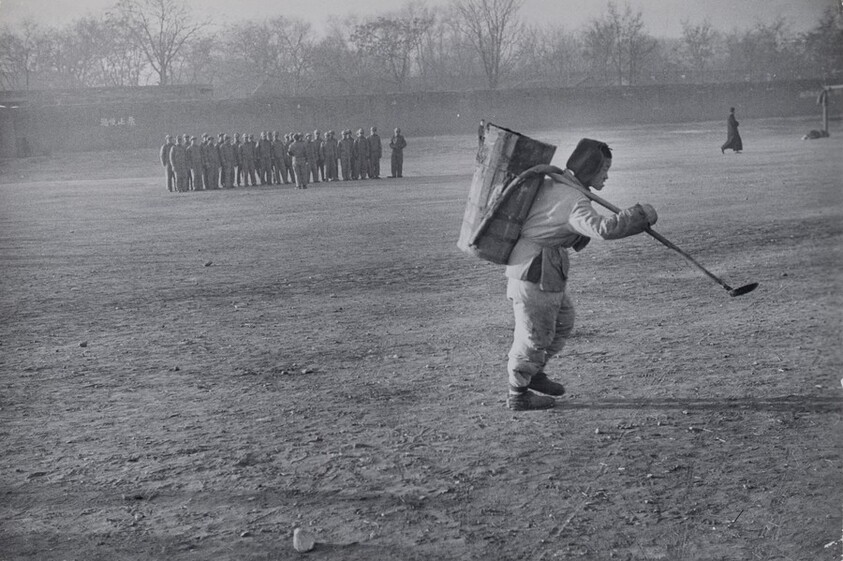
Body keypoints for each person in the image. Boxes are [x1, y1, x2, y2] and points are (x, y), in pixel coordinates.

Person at [503, 138, 658, 411]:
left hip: (543, 268)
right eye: (603, 170)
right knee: (534, 335)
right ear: (589, 169)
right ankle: (518, 393)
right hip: (534, 270)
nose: (607, 176)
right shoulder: (572, 199)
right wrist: (640, 215)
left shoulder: (560, 184)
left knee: (562, 322)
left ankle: (534, 372)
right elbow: (602, 229)